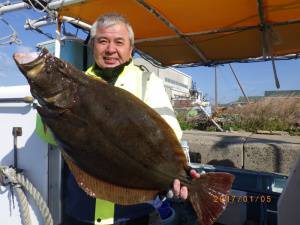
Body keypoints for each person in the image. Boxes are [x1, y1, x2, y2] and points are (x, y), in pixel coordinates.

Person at [37, 13, 200, 225]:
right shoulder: (76, 81)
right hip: (81, 207)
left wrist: (179, 172)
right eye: (102, 41)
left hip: (130, 213)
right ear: (93, 45)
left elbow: (169, 133)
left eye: (119, 42)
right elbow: (48, 137)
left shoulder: (147, 81)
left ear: (130, 49)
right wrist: (47, 101)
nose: (110, 49)